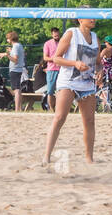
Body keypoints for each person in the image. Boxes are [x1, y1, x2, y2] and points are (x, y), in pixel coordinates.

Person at [43, 13, 100, 166]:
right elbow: (56, 58)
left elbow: (98, 62)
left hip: (87, 83)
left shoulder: (95, 37)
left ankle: (89, 158)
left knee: (89, 121)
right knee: (60, 117)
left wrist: (100, 71)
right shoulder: (71, 33)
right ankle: (46, 156)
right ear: (81, 19)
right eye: (90, 16)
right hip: (68, 81)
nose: (93, 18)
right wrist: (74, 63)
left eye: (94, 16)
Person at [0, 30, 27, 111]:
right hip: (18, 69)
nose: (7, 40)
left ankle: (17, 109)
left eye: (7, 38)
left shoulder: (16, 46)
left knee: (16, 89)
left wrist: (7, 55)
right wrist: (9, 52)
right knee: (18, 89)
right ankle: (19, 108)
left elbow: (15, 60)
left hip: (15, 69)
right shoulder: (19, 45)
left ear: (11, 39)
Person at [41, 27, 62, 105]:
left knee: (61, 90)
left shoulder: (62, 42)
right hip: (52, 70)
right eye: (55, 35)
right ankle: (51, 108)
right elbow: (45, 58)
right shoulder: (47, 44)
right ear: (52, 35)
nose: (57, 36)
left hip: (62, 70)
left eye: (58, 35)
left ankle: (59, 107)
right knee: (50, 91)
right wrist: (54, 59)